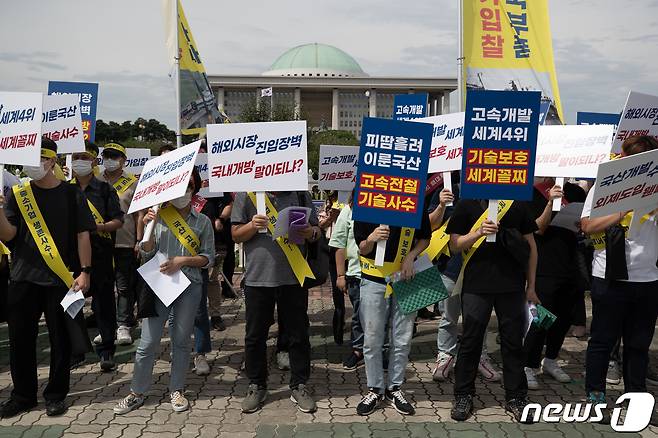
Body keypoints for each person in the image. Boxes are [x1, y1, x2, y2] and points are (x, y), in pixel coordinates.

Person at [0, 138, 95, 418]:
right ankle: (23, 395)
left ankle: (55, 394)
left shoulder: (71, 194)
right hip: (22, 278)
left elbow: (82, 234)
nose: (34, 166)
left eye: (39, 159)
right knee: (21, 340)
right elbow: (9, 235)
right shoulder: (19, 194)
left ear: (51, 161)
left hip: (59, 279)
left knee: (60, 340)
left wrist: (85, 271)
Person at [114, 170, 215, 415]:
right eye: (181, 185)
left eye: (189, 185)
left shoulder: (202, 221)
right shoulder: (158, 216)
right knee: (147, 342)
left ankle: (176, 389)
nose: (185, 190)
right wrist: (146, 227)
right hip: (160, 286)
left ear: (195, 188)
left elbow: (208, 258)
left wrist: (182, 260)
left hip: (190, 287)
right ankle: (137, 391)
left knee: (181, 342)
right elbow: (145, 252)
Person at [580, 136, 658, 425]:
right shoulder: (606, 186)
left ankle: (636, 397)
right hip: (609, 277)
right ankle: (596, 396)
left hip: (648, 278)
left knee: (638, 344)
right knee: (602, 340)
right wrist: (621, 211)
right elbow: (587, 226)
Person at [447, 198, 538, 423]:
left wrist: (532, 286)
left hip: (512, 286)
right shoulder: (466, 204)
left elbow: (532, 248)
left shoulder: (517, 204)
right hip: (476, 285)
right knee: (470, 341)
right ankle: (463, 395)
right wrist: (478, 232)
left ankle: (516, 397)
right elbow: (454, 245)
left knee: (513, 343)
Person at [232, 190, 320, 414]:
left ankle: (299, 385)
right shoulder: (248, 194)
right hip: (257, 278)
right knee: (255, 336)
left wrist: (310, 232)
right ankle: (256, 385)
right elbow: (235, 235)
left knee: (298, 334)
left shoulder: (300, 194)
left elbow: (316, 231)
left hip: (294, 276)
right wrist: (252, 225)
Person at [353, 214, 431, 416]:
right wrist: (371, 239)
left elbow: (425, 237)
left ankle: (395, 388)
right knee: (372, 339)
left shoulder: (414, 198)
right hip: (373, 279)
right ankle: (375, 389)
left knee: (403, 338)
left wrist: (411, 256)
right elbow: (361, 247)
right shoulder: (368, 198)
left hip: (407, 277)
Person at [428, 187, 502, 383]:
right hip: (450, 267)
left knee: (479, 319)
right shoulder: (446, 187)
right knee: (449, 317)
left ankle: (480, 356)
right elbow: (429, 225)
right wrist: (442, 205)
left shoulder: (494, 190)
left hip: (480, 269)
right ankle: (445, 356)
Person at [523, 180, 587, 389]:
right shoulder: (533, 193)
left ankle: (550, 359)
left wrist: (583, 225)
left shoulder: (575, 191)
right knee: (542, 318)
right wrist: (551, 203)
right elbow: (537, 229)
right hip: (543, 264)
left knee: (564, 317)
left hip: (570, 263)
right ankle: (528, 365)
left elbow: (584, 222)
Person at [70, 141, 124, 371]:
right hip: (71, 254)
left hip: (100, 253)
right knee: (72, 304)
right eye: (75, 157)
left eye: (84, 157)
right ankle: (77, 351)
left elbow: (118, 220)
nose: (79, 162)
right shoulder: (65, 189)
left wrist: (100, 227)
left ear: (93, 160)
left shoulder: (104, 189)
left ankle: (107, 351)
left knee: (103, 304)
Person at [98, 142, 144, 345]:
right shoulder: (96, 179)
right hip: (100, 242)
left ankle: (123, 325)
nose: (110, 160)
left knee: (124, 286)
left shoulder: (133, 182)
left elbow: (139, 214)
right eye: (107, 156)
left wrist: (139, 240)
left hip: (125, 241)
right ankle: (106, 326)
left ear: (124, 160)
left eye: (115, 156)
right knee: (103, 287)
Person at [329, 191, 364, 370]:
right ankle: (358, 350)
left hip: (387, 275)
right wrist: (341, 275)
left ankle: (383, 349)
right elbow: (339, 244)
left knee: (385, 317)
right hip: (357, 274)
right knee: (359, 315)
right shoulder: (349, 210)